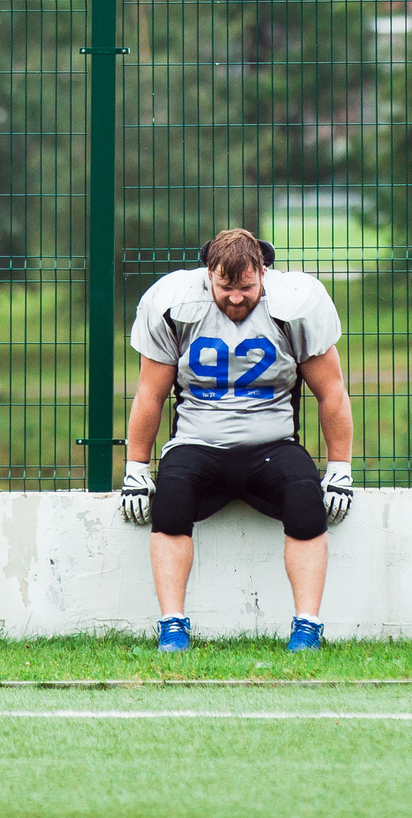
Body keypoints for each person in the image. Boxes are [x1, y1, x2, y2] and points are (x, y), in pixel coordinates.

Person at [118, 227, 354, 652]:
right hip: (196, 444)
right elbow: (150, 393)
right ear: (208, 275)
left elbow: (331, 392)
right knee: (169, 501)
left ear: (263, 273)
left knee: (305, 501)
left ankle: (307, 627)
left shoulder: (294, 304)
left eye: (246, 286)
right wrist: (136, 468)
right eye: (225, 287)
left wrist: (339, 469)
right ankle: (172, 626)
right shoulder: (173, 303)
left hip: (273, 446)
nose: (235, 298)